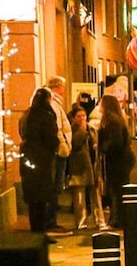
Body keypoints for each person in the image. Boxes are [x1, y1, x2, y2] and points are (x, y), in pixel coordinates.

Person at [19, 88, 59, 235]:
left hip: (27, 157)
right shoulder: (46, 115)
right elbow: (50, 138)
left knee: (32, 198)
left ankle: (34, 230)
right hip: (42, 159)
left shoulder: (27, 115)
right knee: (41, 197)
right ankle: (40, 232)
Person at [96, 94, 136, 227]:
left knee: (117, 190)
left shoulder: (112, 121)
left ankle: (118, 220)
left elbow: (115, 141)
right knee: (116, 190)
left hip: (119, 160)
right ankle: (117, 218)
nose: (99, 105)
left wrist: (103, 147)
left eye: (101, 103)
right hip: (120, 159)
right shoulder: (113, 119)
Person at [67, 104, 106, 230]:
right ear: (73, 118)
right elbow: (74, 144)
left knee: (96, 195)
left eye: (84, 115)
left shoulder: (91, 128)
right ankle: (81, 221)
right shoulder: (72, 130)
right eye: (79, 116)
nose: (82, 118)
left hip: (93, 166)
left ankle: (100, 220)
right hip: (79, 166)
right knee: (79, 196)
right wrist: (82, 131)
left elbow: (96, 142)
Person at [44, 76, 73, 232]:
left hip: (58, 150)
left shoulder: (55, 103)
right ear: (58, 87)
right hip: (58, 151)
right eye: (62, 86)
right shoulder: (53, 104)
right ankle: (50, 220)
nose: (64, 90)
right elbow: (58, 128)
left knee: (55, 186)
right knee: (55, 186)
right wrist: (64, 145)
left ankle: (51, 219)